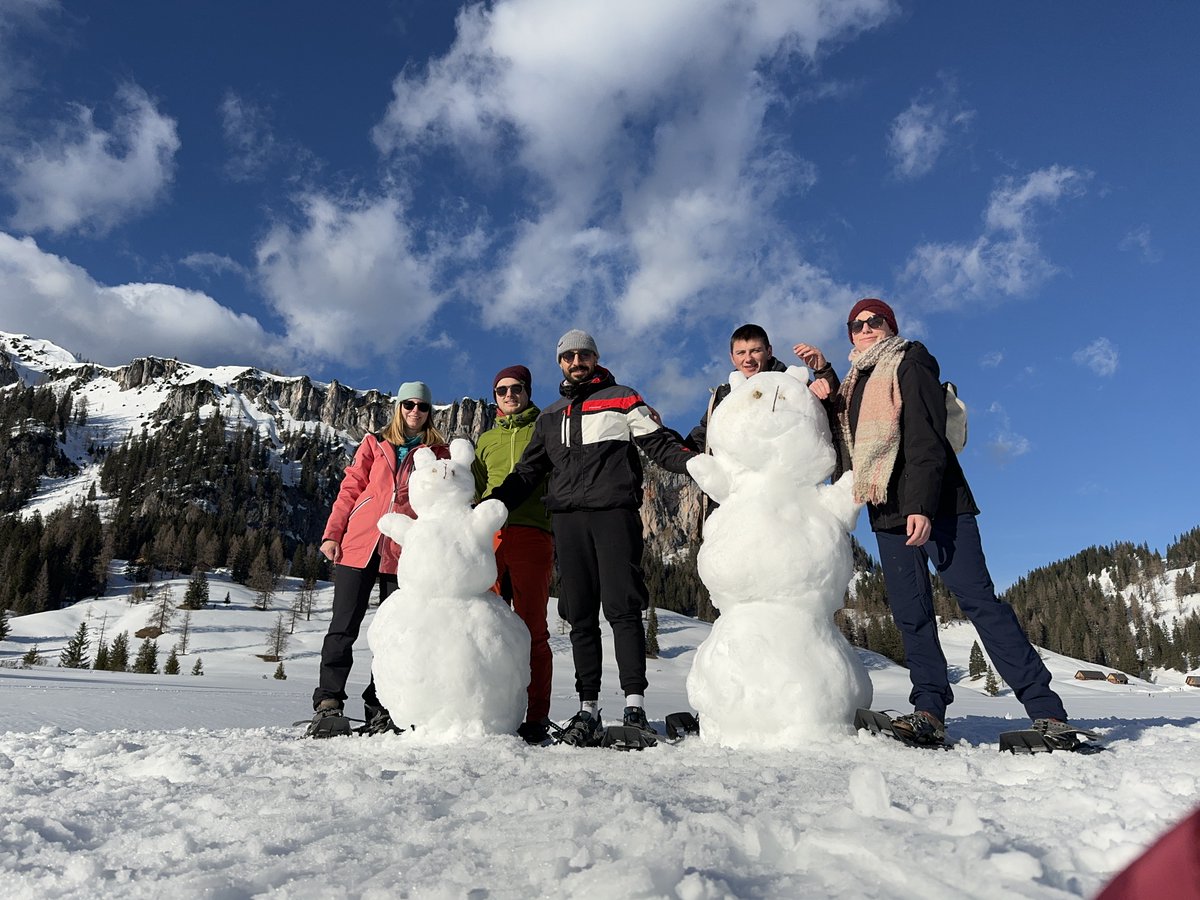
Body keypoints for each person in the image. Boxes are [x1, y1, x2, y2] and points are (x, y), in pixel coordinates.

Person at [813, 297, 1086, 748]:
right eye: (855, 325)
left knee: (979, 602)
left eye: (873, 321)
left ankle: (1047, 712)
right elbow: (850, 441)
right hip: (887, 511)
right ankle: (929, 711)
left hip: (939, 506)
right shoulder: (854, 382)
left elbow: (925, 436)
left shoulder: (911, 361)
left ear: (890, 325)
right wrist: (824, 379)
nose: (864, 328)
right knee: (911, 614)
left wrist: (919, 504)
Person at [488, 330, 696, 746]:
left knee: (622, 607)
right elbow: (527, 473)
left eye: (583, 354)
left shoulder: (622, 398)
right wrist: (493, 505)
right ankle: (588, 710)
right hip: (567, 520)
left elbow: (658, 444)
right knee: (580, 614)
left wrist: (697, 465)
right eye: (568, 356)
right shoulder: (549, 417)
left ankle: (634, 706)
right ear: (560, 363)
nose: (576, 361)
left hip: (613, 515)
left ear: (595, 358)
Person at [308, 381, 449, 738]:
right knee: (343, 626)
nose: (415, 411)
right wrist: (332, 534)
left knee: (394, 635)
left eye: (422, 406)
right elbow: (351, 489)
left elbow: (445, 502)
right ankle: (329, 703)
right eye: (408, 405)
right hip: (360, 544)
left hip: (406, 551)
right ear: (398, 408)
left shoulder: (439, 452)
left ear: (430, 412)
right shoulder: (374, 444)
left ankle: (382, 706)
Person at [472, 364, 555, 745]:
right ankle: (486, 709)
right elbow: (469, 487)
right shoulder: (485, 439)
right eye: (501, 390)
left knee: (532, 628)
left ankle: (536, 716)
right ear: (495, 397)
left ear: (528, 391)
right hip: (491, 538)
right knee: (486, 626)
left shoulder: (547, 426)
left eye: (516, 388)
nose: (509, 395)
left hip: (532, 532)